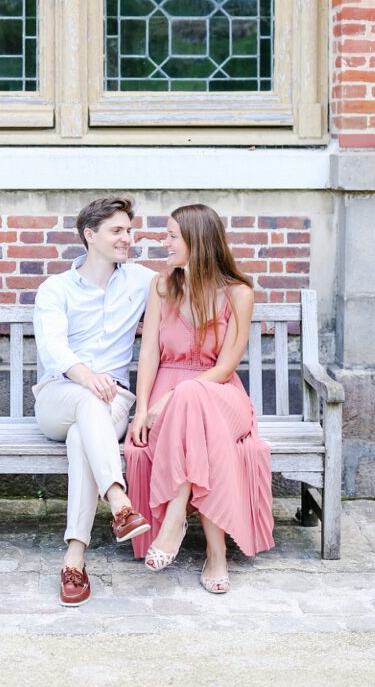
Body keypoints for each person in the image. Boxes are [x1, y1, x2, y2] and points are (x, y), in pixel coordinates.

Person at [125, 204, 275, 593]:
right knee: (196, 423)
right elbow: (150, 353)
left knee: (193, 394)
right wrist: (142, 409)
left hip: (221, 395)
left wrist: (174, 395)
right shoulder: (162, 286)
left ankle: (176, 517)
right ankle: (216, 552)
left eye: (172, 235)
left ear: (197, 240)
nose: (165, 241)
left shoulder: (238, 293)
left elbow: (225, 367)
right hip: (169, 397)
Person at [33, 196, 157, 607]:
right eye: (117, 231)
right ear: (90, 235)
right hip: (59, 396)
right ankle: (119, 501)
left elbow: (193, 274)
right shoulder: (56, 289)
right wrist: (87, 377)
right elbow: (53, 347)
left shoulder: (141, 280)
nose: (128, 238)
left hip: (115, 402)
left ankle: (75, 557)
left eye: (129, 230)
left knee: (80, 440)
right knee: (88, 404)